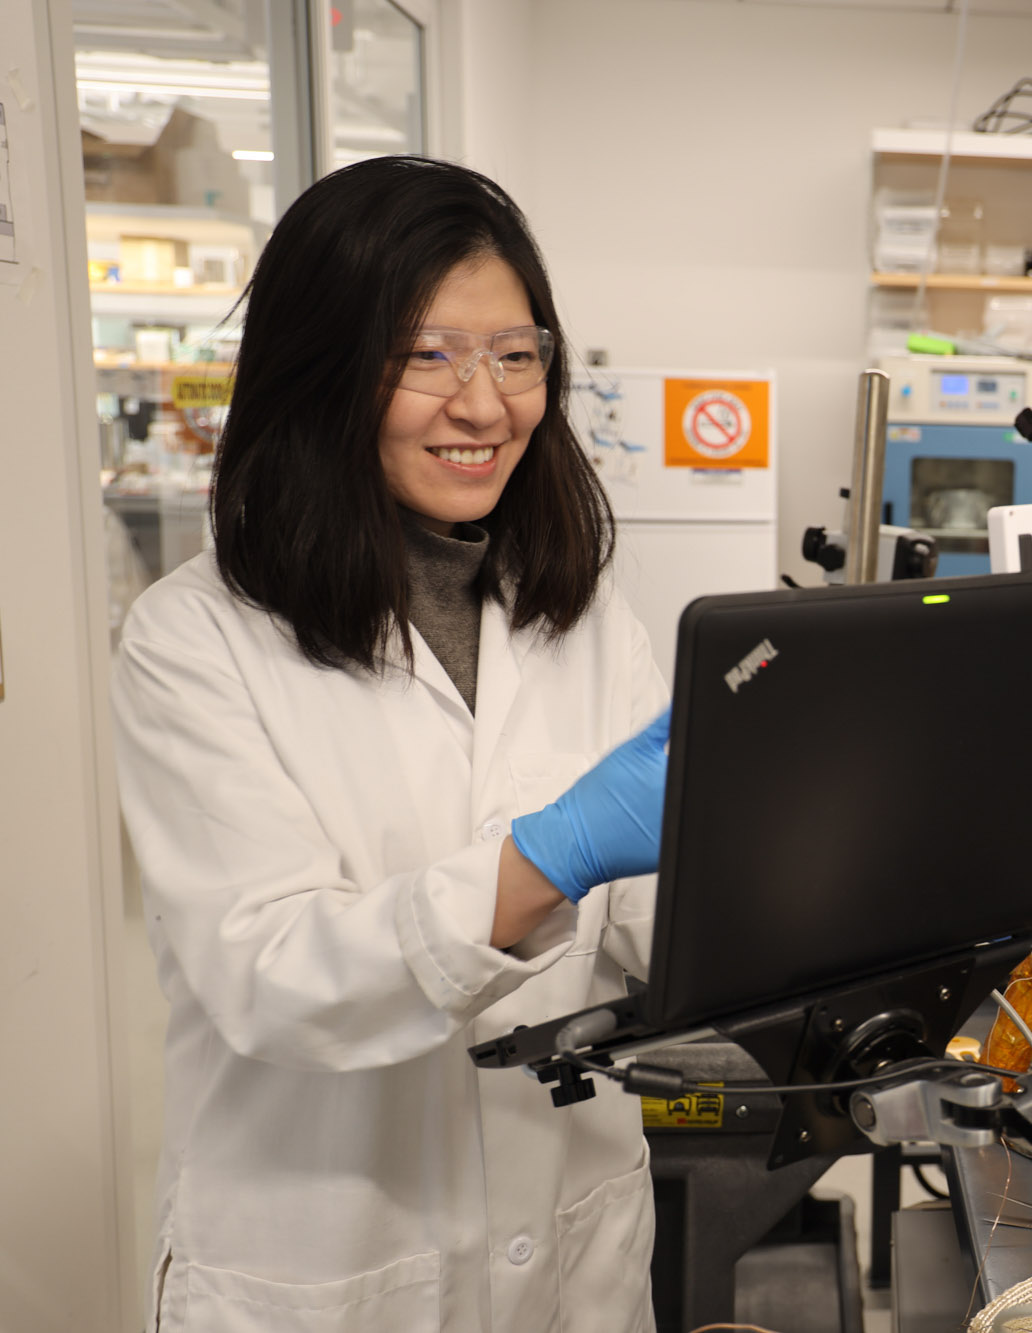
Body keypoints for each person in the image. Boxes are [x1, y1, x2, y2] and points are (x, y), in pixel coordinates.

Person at [112, 156, 670, 1333]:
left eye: (516, 355)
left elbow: (649, 933)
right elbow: (271, 974)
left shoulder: (580, 609)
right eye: (428, 356)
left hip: (573, 1256)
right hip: (328, 1267)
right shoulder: (193, 640)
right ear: (318, 370)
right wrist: (549, 857)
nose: (485, 406)